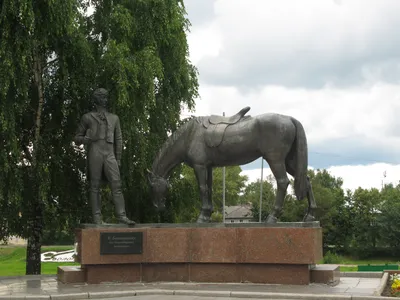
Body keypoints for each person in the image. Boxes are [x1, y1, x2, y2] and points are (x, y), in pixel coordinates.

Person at [74, 88, 135, 225]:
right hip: (95, 151)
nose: (105, 99)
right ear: (96, 99)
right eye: (102, 96)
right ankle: (97, 218)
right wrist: (86, 140)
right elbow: (77, 138)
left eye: (106, 96)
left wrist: (118, 158)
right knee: (95, 186)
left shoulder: (114, 118)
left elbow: (119, 139)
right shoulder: (87, 117)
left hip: (109, 153)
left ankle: (121, 216)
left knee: (116, 184)